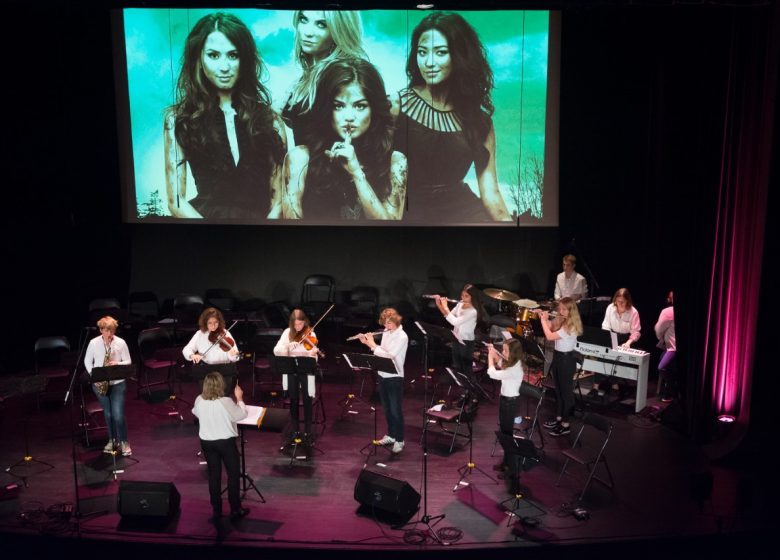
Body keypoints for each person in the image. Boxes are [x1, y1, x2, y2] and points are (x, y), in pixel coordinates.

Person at [164, 12, 287, 221]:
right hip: (205, 230)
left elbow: (279, 201)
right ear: (198, 59)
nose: (224, 67)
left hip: (260, 232)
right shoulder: (178, 119)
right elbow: (175, 201)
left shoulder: (270, 120)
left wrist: (262, 234)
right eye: (213, 55)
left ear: (244, 59)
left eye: (233, 55)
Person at [393, 11, 511, 223]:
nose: (428, 62)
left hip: (463, 213)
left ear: (459, 56)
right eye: (422, 52)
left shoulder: (480, 122)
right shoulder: (395, 106)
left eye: (440, 52)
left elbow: (491, 192)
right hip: (408, 212)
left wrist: (515, 234)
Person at [283, 58, 407, 221]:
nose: (349, 116)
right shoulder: (300, 158)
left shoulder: (396, 162)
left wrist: (356, 173)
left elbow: (390, 229)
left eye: (360, 106)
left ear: (374, 109)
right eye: (338, 106)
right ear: (326, 109)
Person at [282, 10, 366, 146]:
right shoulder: (303, 80)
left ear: (340, 30)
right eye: (303, 19)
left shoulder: (347, 77)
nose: (308, 32)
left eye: (321, 24)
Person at [191, 372, 249, 523]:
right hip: (225, 443)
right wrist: (240, 399)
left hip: (207, 443)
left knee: (214, 475)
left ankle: (217, 510)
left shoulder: (199, 399)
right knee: (233, 474)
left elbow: (195, 412)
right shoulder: (226, 401)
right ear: (221, 385)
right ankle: (235, 509)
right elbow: (241, 415)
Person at [356, 308, 408, 454]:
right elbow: (381, 352)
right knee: (387, 409)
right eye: (385, 323)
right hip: (382, 374)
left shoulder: (402, 336)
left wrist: (372, 344)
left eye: (389, 323)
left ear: (396, 321)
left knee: (395, 410)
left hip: (395, 377)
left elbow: (389, 355)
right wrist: (367, 343)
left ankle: (399, 439)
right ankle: (391, 435)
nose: (386, 326)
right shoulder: (386, 332)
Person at [84, 316, 133, 456]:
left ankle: (124, 441)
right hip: (100, 383)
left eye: (112, 330)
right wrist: (95, 377)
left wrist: (118, 363)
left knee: (118, 414)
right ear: (101, 330)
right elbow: (87, 361)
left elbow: (128, 361)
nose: (111, 333)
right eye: (107, 330)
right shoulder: (93, 343)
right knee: (108, 414)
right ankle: (113, 440)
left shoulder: (120, 342)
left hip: (117, 383)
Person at [538, 297, 583, 436]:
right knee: (558, 392)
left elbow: (550, 336)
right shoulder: (561, 320)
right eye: (560, 308)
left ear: (571, 311)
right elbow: (550, 327)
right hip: (558, 357)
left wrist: (543, 321)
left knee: (566, 393)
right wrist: (543, 317)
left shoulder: (571, 326)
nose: (561, 311)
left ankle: (565, 424)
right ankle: (559, 419)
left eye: (564, 309)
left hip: (566, 360)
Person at [273, 309, 321, 440]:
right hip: (291, 369)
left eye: (300, 324)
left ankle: (308, 431)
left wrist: (313, 354)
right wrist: (287, 346)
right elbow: (276, 350)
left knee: (307, 399)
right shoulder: (287, 333)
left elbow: (314, 357)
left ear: (304, 322)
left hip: (306, 370)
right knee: (293, 399)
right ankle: (295, 429)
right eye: (295, 325)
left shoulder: (310, 333)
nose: (298, 327)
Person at [486, 338, 524, 481]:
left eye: (505, 350)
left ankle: (512, 469)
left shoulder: (515, 369)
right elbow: (500, 362)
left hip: (510, 403)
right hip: (505, 401)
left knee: (507, 436)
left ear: (513, 353)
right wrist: (493, 351)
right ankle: (506, 463)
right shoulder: (511, 362)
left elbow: (493, 373)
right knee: (504, 434)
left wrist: (490, 357)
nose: (503, 352)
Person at [434, 284, 487, 381]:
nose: (463, 298)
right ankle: (459, 385)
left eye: (466, 296)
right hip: (456, 337)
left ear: (473, 297)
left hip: (466, 341)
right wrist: (439, 305)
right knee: (456, 365)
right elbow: (449, 316)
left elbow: (455, 322)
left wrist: (445, 306)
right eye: (462, 295)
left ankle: (470, 387)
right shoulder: (460, 304)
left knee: (466, 368)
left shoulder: (473, 311)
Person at [595, 287, 641, 397]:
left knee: (617, 359)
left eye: (622, 302)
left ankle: (614, 384)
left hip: (625, 339)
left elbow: (636, 331)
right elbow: (605, 325)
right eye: (617, 301)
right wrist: (607, 338)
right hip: (611, 335)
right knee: (601, 356)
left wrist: (629, 343)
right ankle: (595, 385)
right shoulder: (610, 308)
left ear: (627, 301)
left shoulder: (633, 312)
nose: (619, 304)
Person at [182, 307, 241, 390]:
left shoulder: (225, 333)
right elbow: (186, 349)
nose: (213, 326)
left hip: (225, 370)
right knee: (207, 395)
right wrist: (192, 355)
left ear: (219, 322)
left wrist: (233, 355)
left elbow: (235, 356)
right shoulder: (200, 334)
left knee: (224, 394)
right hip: (206, 372)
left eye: (216, 322)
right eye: (210, 323)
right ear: (205, 323)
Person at [655, 291, 676, 402]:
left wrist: (660, 337)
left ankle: (671, 391)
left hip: (673, 348)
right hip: (670, 347)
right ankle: (667, 390)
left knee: (662, 367)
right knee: (662, 359)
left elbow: (659, 329)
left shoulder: (668, 311)